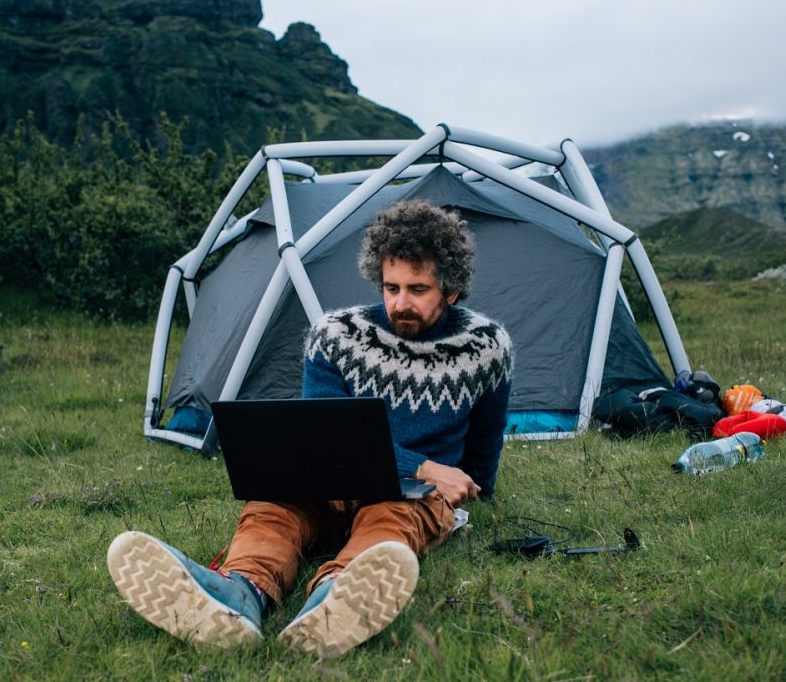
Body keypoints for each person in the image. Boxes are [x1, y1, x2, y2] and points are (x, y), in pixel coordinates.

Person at [107, 199, 513, 658]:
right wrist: (425, 466)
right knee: (275, 505)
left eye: (417, 289)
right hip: (335, 479)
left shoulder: (486, 347)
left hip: (408, 498)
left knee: (391, 515)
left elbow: (482, 458)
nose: (401, 303)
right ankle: (239, 592)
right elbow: (324, 436)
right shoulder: (336, 335)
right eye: (391, 286)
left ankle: (334, 599)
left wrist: (464, 491)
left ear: (452, 289)